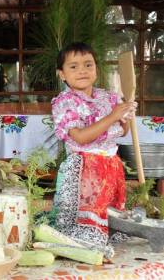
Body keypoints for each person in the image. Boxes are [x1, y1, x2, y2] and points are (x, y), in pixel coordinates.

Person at [50, 42, 137, 257]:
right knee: (83, 229)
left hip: (111, 168)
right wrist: (114, 115)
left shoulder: (109, 98)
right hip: (84, 171)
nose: (82, 70)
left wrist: (126, 114)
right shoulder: (64, 102)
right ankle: (81, 254)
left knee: (110, 224)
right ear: (61, 74)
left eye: (88, 65)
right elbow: (80, 137)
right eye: (74, 66)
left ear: (96, 69)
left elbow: (123, 131)